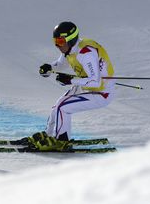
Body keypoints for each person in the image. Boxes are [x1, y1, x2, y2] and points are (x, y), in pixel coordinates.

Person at [28, 21, 115, 151]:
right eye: (55, 41)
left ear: (70, 39)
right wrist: (49, 67)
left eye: (60, 41)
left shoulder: (86, 53)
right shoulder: (70, 49)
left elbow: (96, 82)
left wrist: (71, 81)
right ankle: (49, 134)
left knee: (63, 108)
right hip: (87, 87)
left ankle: (62, 141)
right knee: (58, 106)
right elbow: (61, 64)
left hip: (101, 92)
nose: (57, 45)